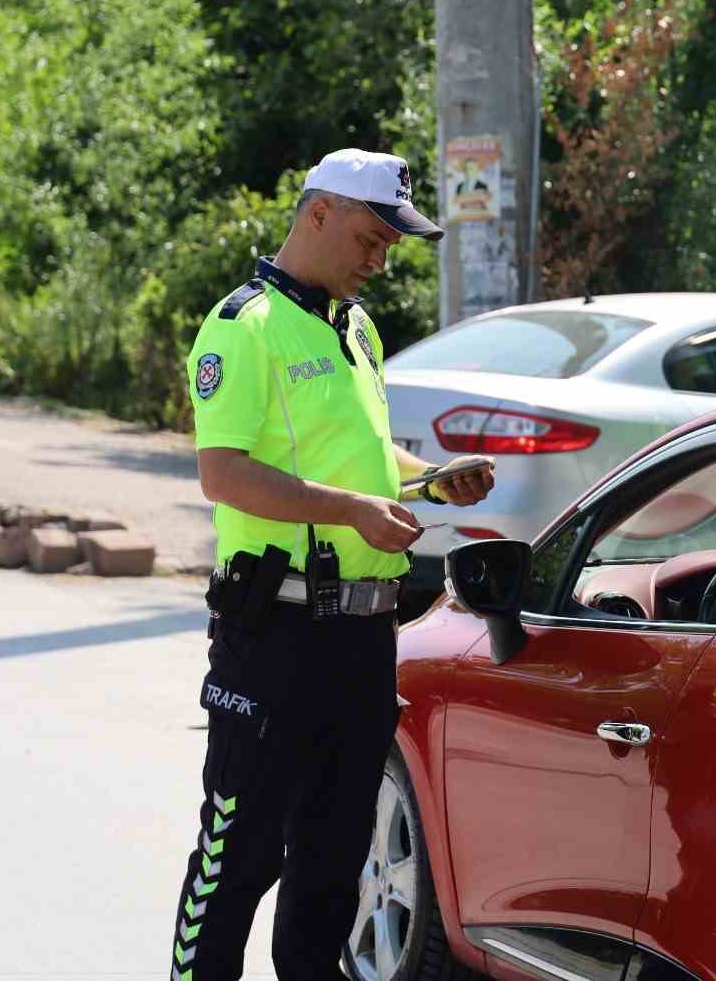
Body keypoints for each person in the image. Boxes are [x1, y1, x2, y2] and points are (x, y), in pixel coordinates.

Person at [168, 148, 495, 981]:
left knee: (331, 860)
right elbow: (225, 471)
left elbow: (359, 454)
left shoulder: (355, 326)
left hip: (360, 637)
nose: (380, 259)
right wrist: (350, 511)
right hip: (272, 630)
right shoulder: (242, 326)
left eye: (390, 244)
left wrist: (425, 476)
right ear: (317, 215)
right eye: (370, 237)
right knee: (237, 856)